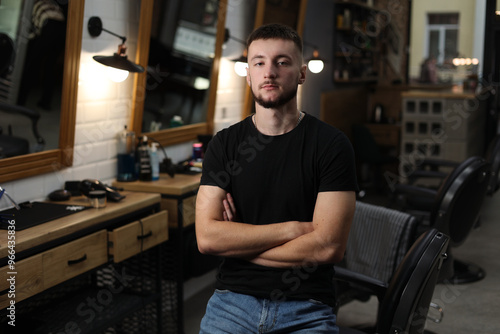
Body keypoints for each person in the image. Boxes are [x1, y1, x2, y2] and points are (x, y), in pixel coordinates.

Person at [195, 23, 358, 333]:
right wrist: (294, 229)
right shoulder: (225, 144)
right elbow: (207, 239)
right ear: (248, 74)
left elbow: (327, 248)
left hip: (307, 305)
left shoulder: (332, 146)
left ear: (301, 73)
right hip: (232, 303)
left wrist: (238, 242)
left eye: (282, 62)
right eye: (258, 62)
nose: (268, 71)